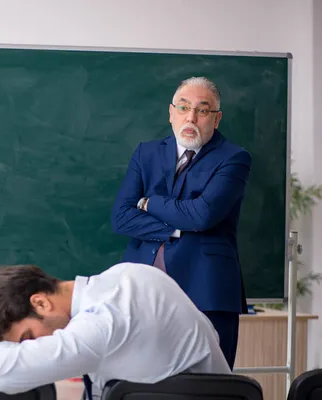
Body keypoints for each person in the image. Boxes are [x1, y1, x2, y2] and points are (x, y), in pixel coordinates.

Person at [110, 76, 252, 369]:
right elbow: (121, 217)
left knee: (209, 384)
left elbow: (203, 216)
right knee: (141, 377)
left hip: (207, 287)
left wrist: (150, 203)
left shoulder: (234, 158)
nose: (192, 117)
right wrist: (175, 226)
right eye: (184, 108)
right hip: (143, 288)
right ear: (171, 112)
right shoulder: (145, 153)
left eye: (203, 110)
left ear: (216, 118)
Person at [0, 262, 230, 397]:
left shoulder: (99, 322)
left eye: (28, 339)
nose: (33, 348)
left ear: (41, 303)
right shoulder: (131, 274)